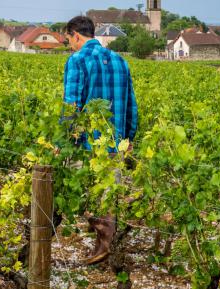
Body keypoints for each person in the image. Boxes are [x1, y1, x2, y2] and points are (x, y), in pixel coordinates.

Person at [62, 16, 138, 265]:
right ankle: (103, 246)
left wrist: (64, 140)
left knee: (82, 193)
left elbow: (72, 104)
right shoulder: (120, 61)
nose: (69, 45)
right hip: (115, 142)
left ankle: (103, 244)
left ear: (75, 35)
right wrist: (128, 137)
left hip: (86, 143)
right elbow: (131, 105)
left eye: (68, 39)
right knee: (108, 194)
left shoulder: (78, 60)